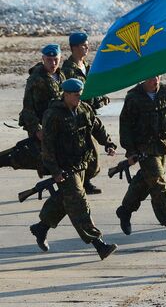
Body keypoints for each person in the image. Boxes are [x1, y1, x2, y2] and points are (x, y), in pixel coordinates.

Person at [29, 78, 118, 260]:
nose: (79, 97)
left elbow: (97, 127)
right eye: (76, 95)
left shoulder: (84, 109)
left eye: (80, 94)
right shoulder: (53, 115)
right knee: (79, 203)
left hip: (81, 166)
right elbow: (47, 146)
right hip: (64, 168)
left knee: (65, 200)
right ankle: (99, 244)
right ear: (66, 94)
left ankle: (41, 227)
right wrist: (54, 171)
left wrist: (108, 143)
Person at [115, 75, 166, 243]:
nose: (155, 80)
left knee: (146, 182)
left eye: (158, 76)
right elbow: (125, 126)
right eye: (151, 77)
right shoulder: (133, 97)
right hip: (144, 149)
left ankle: (125, 209)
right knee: (158, 185)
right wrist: (130, 151)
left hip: (162, 147)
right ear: (143, 78)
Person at [0, 44, 66, 177]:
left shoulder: (60, 75)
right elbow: (27, 109)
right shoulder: (36, 79)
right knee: (31, 158)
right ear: (43, 59)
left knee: (56, 159)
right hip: (41, 126)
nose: (53, 63)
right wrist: (37, 130)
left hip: (55, 125)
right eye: (49, 60)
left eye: (56, 60)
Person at [61, 32, 110, 195]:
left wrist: (102, 98)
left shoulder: (87, 67)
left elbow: (93, 88)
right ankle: (80, 182)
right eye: (83, 45)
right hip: (76, 116)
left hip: (89, 115)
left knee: (90, 153)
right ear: (74, 48)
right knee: (84, 152)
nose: (87, 47)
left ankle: (84, 181)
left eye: (87, 44)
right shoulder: (67, 70)